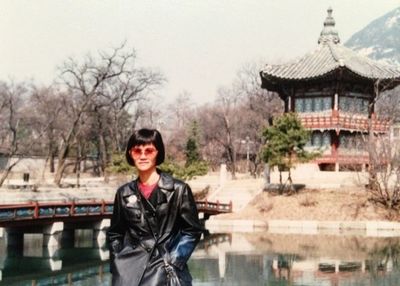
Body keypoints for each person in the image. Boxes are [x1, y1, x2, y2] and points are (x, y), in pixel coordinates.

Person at [107, 128, 204, 286]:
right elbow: (115, 233)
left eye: (149, 151)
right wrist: (118, 262)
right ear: (131, 154)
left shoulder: (179, 189)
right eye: (137, 151)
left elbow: (192, 230)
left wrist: (174, 260)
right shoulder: (123, 193)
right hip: (129, 272)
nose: (143, 156)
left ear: (158, 153)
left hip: (165, 269)